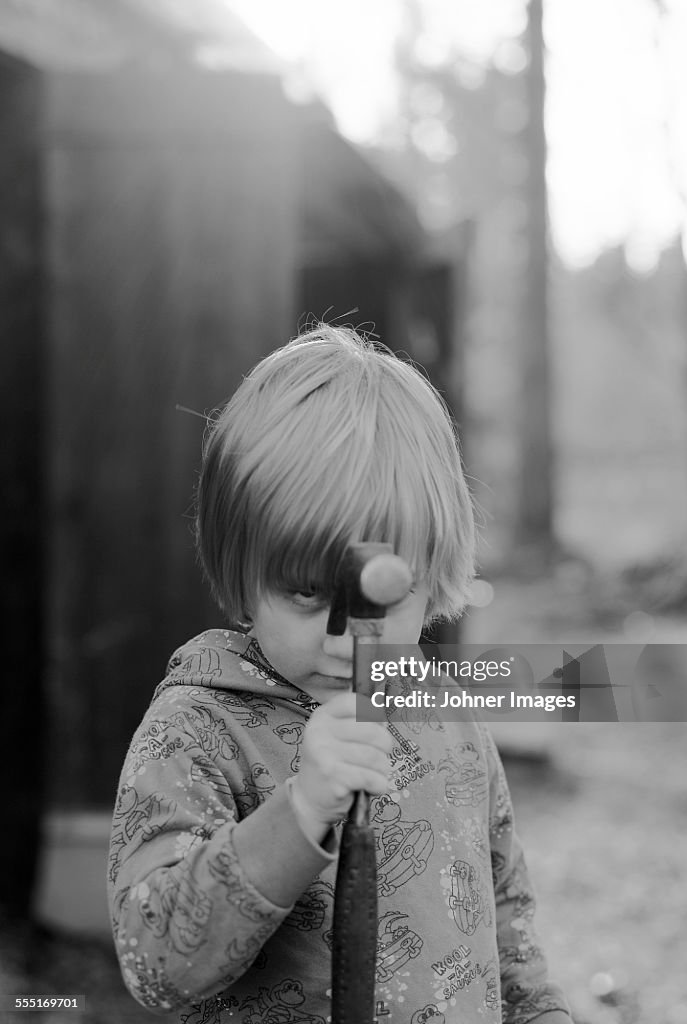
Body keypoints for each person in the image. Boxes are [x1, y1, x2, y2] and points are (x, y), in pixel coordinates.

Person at [108, 325, 572, 1024]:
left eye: (380, 597)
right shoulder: (199, 730)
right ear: (242, 569)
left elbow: (507, 927)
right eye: (305, 593)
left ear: (433, 572)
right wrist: (298, 812)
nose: (344, 637)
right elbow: (157, 964)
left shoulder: (448, 718)